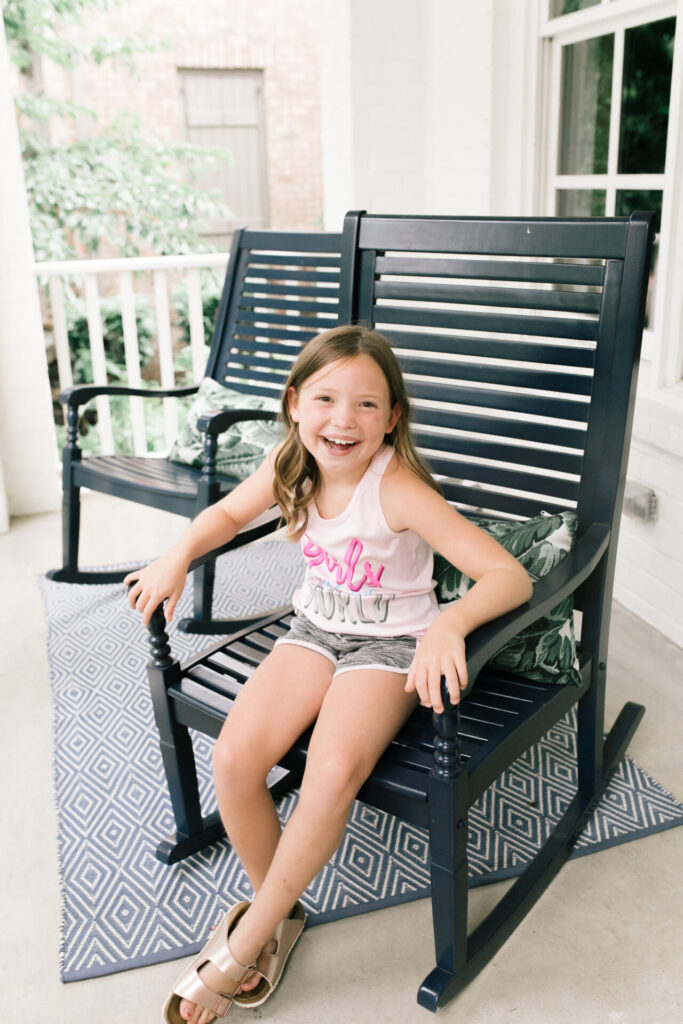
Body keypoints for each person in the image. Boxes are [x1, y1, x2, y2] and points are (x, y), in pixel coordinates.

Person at [125, 325, 533, 1024]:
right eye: (324, 399)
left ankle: (249, 935)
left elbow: (507, 574)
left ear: (392, 419)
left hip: (389, 646)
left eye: (367, 405)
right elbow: (224, 514)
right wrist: (178, 554)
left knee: (331, 771)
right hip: (314, 629)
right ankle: (279, 909)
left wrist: (448, 623)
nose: (343, 420)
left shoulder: (396, 487)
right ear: (293, 403)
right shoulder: (292, 464)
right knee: (233, 758)